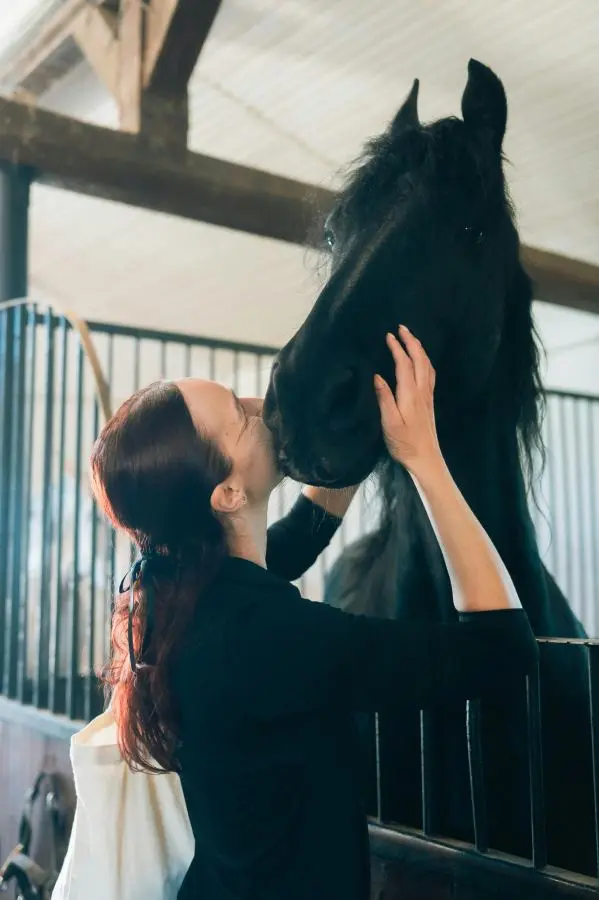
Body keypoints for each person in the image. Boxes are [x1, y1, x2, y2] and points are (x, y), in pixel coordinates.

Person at [91, 325, 537, 900]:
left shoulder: (170, 587)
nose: (262, 405)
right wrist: (423, 457)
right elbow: (501, 651)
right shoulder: (269, 636)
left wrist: (347, 430)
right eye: (241, 414)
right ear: (227, 494)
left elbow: (296, 540)